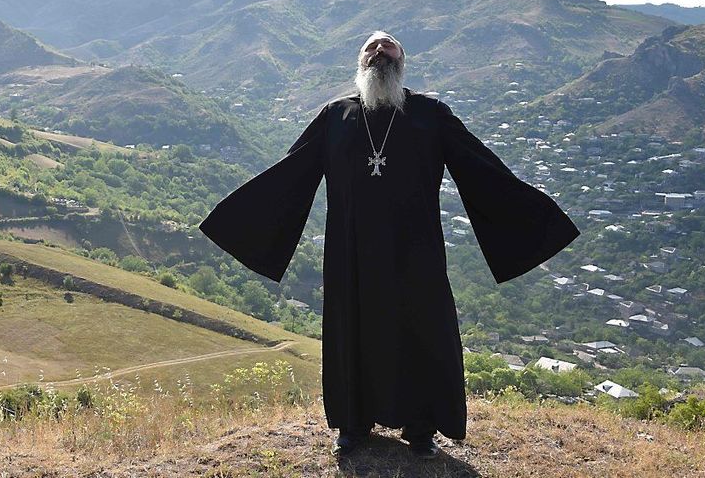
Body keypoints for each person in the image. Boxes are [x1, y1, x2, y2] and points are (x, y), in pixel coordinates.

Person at [198, 31, 581, 458]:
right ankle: (353, 424)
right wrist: (238, 222)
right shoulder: (335, 117)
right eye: (371, 47)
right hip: (351, 251)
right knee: (352, 333)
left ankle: (421, 429)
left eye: (389, 46)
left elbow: (481, 168)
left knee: (421, 332)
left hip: (415, 250)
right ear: (360, 62)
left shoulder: (431, 115)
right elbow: (289, 175)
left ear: (403, 60)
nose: (380, 51)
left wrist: (538, 219)